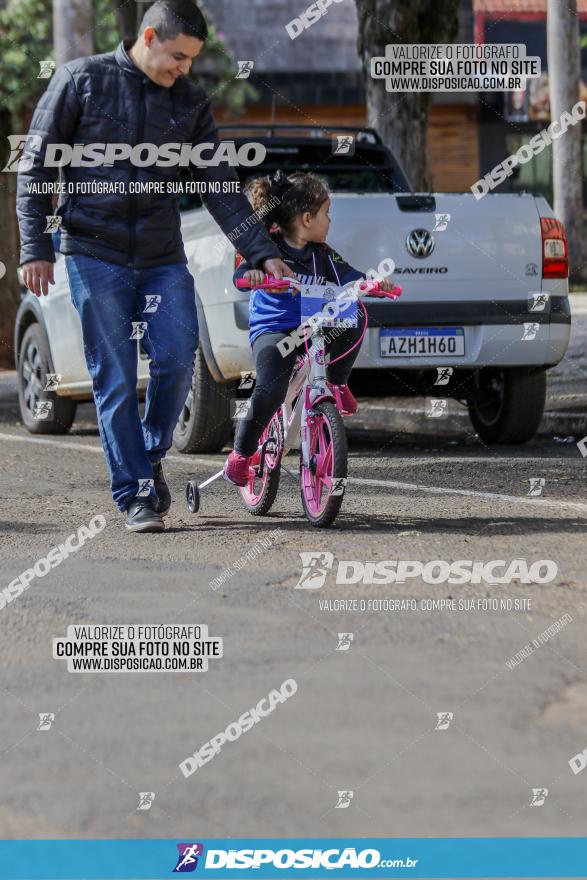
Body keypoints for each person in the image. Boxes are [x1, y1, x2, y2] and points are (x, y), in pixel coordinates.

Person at [16, 0, 290, 533]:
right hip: (94, 253)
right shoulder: (80, 81)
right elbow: (35, 168)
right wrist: (35, 247)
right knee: (115, 376)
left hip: (162, 256)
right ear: (149, 36)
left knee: (176, 360)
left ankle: (147, 453)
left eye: (191, 61)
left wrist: (261, 250)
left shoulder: (189, 103)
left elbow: (219, 187)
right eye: (178, 57)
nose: (184, 70)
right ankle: (137, 493)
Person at [223, 169, 395, 487]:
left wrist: (371, 283)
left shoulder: (323, 254)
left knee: (355, 314)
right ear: (306, 219)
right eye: (326, 214)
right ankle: (242, 454)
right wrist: (256, 276)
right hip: (274, 329)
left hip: (313, 326)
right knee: (270, 391)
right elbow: (241, 274)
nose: (329, 222)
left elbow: (349, 275)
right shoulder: (267, 247)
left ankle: (337, 383)